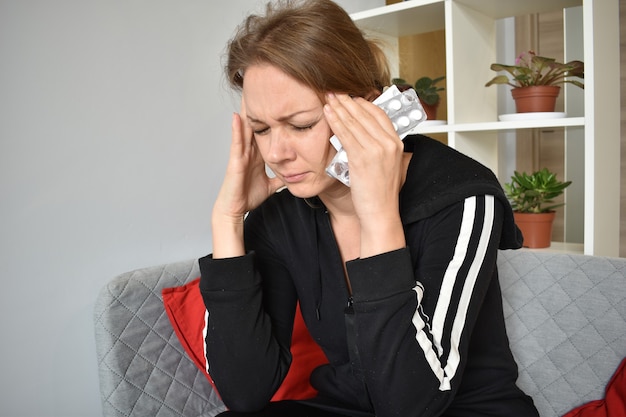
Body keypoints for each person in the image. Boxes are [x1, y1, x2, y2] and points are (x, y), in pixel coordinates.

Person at [199, 0, 539, 416]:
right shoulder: (283, 213)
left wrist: (378, 213)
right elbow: (244, 393)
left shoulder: (464, 196)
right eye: (261, 129)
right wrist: (228, 220)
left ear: (369, 108)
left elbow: (411, 403)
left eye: (301, 125)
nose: (276, 153)